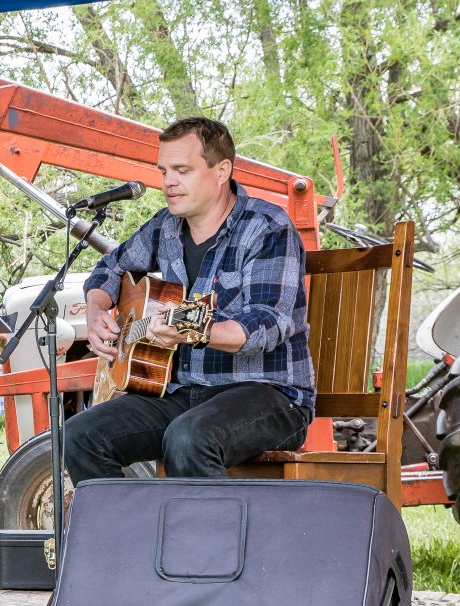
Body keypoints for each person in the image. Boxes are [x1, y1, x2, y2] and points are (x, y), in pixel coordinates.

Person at [64, 117, 314, 484]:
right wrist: (98, 307)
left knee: (188, 438)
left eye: (182, 170)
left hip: (269, 396)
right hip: (184, 392)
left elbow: (268, 323)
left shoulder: (268, 226)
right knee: (80, 436)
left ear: (221, 170)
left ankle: (211, 543)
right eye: (164, 170)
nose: (167, 182)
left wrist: (196, 331)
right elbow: (110, 268)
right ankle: (137, 539)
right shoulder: (165, 227)